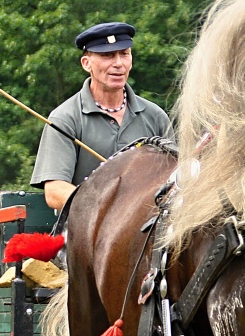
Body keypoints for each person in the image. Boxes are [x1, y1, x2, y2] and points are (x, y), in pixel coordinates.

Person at [30, 22, 174, 210]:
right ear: (86, 63)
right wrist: (104, 209)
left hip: (147, 232)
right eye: (107, 55)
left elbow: (175, 178)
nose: (118, 63)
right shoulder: (65, 118)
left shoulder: (154, 116)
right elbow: (55, 191)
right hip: (85, 234)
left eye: (124, 54)